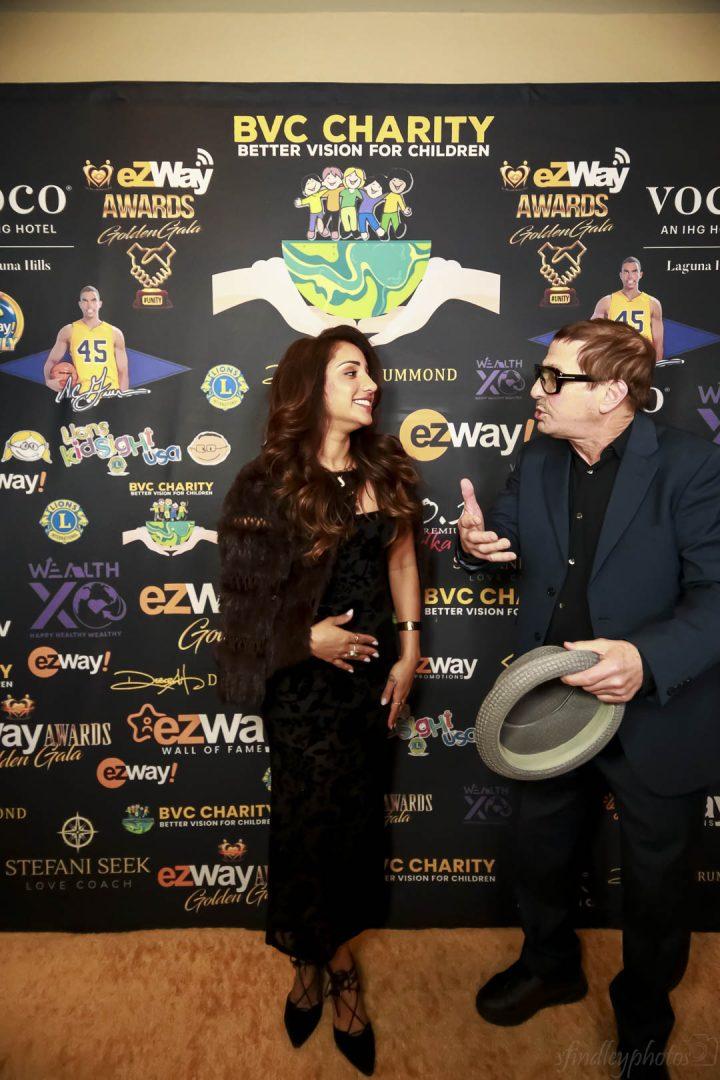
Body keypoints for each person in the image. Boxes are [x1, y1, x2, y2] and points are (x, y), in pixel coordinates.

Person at [456, 318, 720, 1079]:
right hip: (551, 705)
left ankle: (643, 1021)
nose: (535, 391)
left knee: (658, 885)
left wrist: (645, 658)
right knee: (538, 853)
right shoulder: (539, 455)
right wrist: (480, 546)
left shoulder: (692, 465)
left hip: (656, 709)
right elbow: (508, 538)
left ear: (610, 393)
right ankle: (550, 966)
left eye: (553, 378)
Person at [216, 324, 422, 1076]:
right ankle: (329, 969)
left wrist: (410, 648)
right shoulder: (265, 482)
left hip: (369, 692)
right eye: (351, 372)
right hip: (300, 695)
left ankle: (319, 959)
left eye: (369, 372)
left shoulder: (385, 470)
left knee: (355, 828)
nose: (370, 384)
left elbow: (402, 559)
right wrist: (310, 639)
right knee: (307, 832)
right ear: (311, 388)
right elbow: (242, 603)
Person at [43, 284, 129, 394]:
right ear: (80, 304)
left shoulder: (115, 333)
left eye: (93, 300)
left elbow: (123, 372)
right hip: (83, 394)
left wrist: (121, 398)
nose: (89, 305)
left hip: (110, 392)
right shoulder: (68, 331)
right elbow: (52, 360)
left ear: (100, 304)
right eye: (85, 301)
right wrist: (48, 381)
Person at [592, 256, 664, 362]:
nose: (630, 276)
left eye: (634, 271)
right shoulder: (606, 302)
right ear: (621, 275)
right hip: (616, 360)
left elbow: (658, 343)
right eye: (626, 272)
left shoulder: (653, 303)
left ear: (640, 274)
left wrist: (656, 366)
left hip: (642, 360)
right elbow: (592, 335)